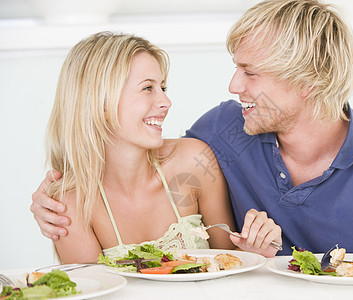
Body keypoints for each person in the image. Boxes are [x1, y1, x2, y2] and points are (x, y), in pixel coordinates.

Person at [31, 0, 353, 291]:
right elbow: (139, 165)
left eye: (250, 72)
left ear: (308, 82)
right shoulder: (224, 129)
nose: (234, 86)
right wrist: (51, 196)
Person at [36, 31, 281, 264]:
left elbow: (229, 263)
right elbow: (94, 291)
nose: (165, 101)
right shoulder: (69, 203)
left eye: (162, 88)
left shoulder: (194, 162)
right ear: (100, 103)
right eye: (147, 88)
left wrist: (255, 249)